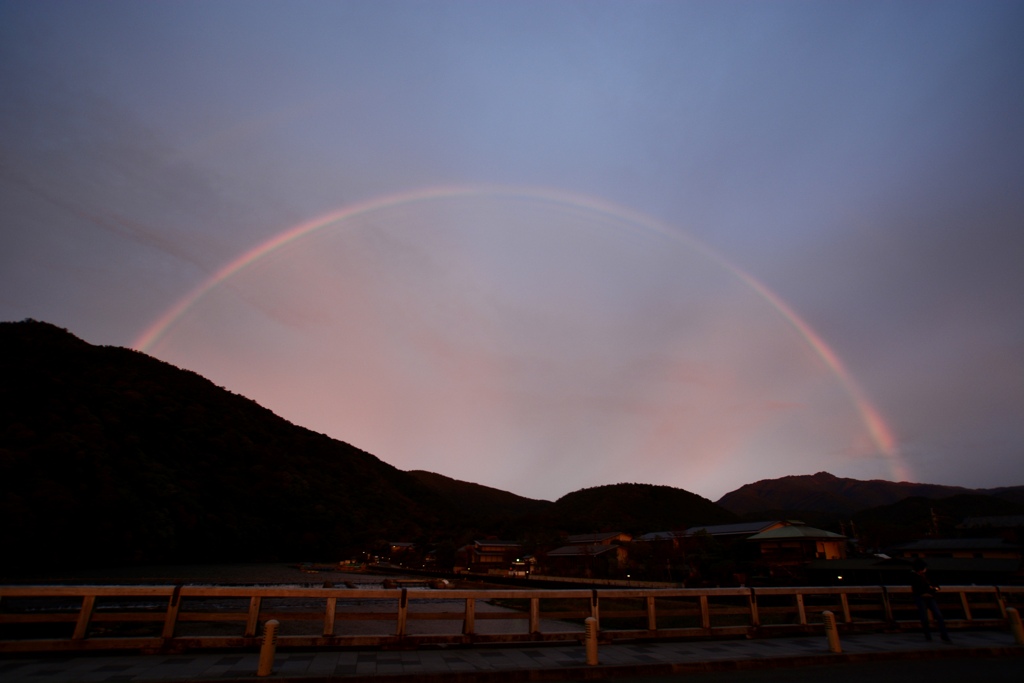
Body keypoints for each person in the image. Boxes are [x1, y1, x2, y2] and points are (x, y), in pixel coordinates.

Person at [909, 558, 950, 642]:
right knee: (924, 617)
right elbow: (916, 589)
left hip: (930, 597)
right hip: (921, 597)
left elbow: (936, 586)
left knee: (938, 616)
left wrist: (933, 590)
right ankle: (928, 635)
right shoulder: (914, 576)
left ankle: (943, 634)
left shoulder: (928, 576)